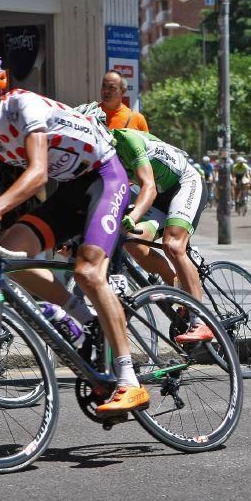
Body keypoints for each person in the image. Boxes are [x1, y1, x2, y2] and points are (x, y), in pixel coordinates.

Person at [0, 56, 147, 414]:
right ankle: (84, 318)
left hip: (105, 177)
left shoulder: (23, 105)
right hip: (69, 188)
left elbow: (36, 174)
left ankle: (130, 381)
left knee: (87, 271)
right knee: (9, 254)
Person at [101, 122, 212, 342]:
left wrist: (132, 217)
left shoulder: (127, 141)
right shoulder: (100, 156)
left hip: (185, 183)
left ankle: (200, 321)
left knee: (173, 245)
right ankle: (174, 284)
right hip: (161, 197)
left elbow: (148, 187)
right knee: (132, 241)